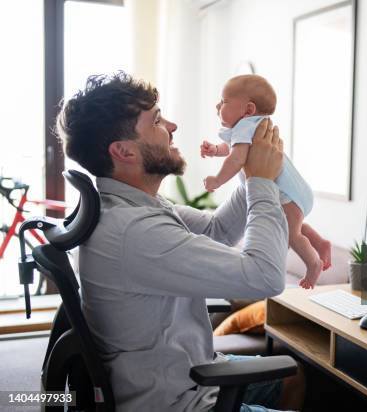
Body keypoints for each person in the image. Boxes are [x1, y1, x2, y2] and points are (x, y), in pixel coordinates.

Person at [55, 72, 305, 412]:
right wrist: (262, 182)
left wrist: (251, 169)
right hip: (181, 400)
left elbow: (219, 230)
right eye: (157, 120)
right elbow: (266, 275)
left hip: (185, 373)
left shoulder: (135, 206)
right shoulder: (137, 231)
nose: (172, 126)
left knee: (294, 376)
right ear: (124, 150)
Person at [200, 75, 331, 289]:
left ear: (248, 109)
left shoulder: (246, 127)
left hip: (288, 194)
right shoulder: (250, 127)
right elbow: (233, 148)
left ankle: (313, 264)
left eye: (224, 101)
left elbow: (236, 158)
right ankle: (321, 243)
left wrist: (217, 180)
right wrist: (215, 150)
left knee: (290, 234)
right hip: (293, 194)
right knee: (291, 225)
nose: (218, 105)